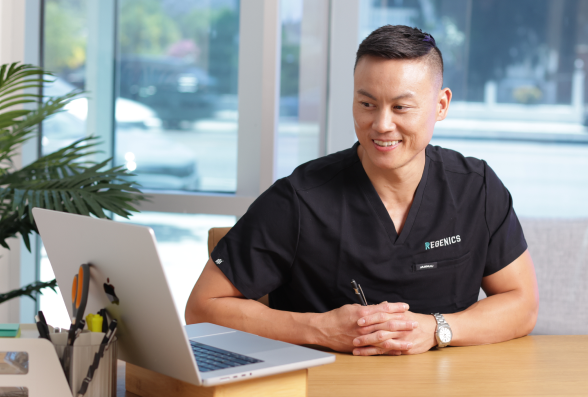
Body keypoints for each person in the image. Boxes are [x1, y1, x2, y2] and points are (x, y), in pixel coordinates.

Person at [185, 25, 539, 356]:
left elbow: (522, 305)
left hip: (446, 392)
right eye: (367, 104)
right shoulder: (299, 198)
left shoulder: (476, 188)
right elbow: (201, 309)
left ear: (441, 105)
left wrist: (436, 329)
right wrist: (319, 329)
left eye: (401, 107)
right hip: (322, 392)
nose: (382, 125)